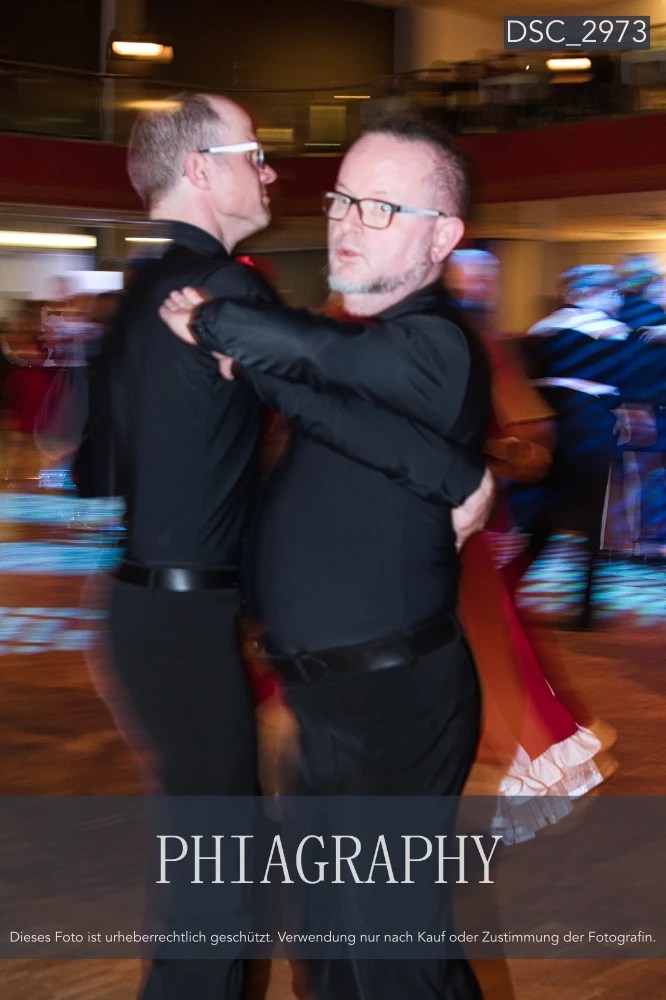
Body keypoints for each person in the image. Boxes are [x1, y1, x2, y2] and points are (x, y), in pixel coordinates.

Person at [93, 99, 492, 1000]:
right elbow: (323, 393)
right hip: (321, 694)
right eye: (344, 200)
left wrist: (226, 334)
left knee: (384, 955)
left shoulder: (429, 344)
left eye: (379, 208)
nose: (346, 221)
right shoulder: (339, 334)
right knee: (325, 946)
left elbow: (314, 363)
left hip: (386, 699)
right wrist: (461, 477)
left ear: (443, 238)